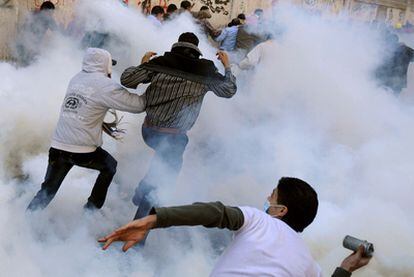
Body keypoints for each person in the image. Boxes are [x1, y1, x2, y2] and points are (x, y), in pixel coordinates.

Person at [99, 177, 372, 276]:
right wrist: (346, 267)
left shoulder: (258, 218)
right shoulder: (308, 264)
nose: (266, 198)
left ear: (280, 211)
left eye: (272, 196)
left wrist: (153, 219)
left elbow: (214, 213)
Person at [120, 32, 237, 220]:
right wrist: (227, 66)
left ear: (176, 46)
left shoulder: (161, 62)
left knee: (161, 163)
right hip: (173, 138)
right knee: (161, 180)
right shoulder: (205, 70)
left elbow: (127, 79)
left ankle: (140, 192)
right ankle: (138, 230)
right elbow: (229, 90)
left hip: (148, 131)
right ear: (197, 51)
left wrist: (144, 63)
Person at [27, 48, 146, 211]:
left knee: (47, 191)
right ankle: (90, 210)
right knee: (109, 166)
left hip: (58, 146)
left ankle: (26, 222)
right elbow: (138, 105)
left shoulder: (76, 78)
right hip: (82, 151)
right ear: (105, 66)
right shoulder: (106, 85)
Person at [14, 1, 58, 65]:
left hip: (31, 47)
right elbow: (24, 31)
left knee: (29, 65)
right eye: (50, 13)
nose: (51, 15)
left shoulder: (44, 18)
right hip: (26, 46)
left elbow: (57, 30)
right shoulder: (37, 16)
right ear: (45, 11)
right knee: (28, 65)